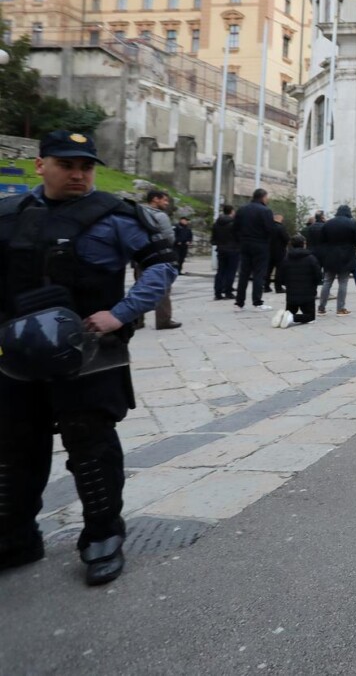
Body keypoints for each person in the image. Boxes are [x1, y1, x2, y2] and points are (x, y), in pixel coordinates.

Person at [0, 130, 177, 585]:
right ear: (41, 165)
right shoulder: (10, 214)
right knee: (14, 448)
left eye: (86, 166)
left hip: (90, 354)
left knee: (92, 448)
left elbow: (159, 266)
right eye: (67, 164)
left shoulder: (117, 216)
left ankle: (102, 537)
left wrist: (120, 314)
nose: (78, 174)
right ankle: (15, 537)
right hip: (16, 358)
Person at [142, 190, 182, 330]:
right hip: (159, 256)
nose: (166, 203)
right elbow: (169, 237)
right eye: (164, 200)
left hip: (140, 256)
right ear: (155, 199)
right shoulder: (161, 216)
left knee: (140, 288)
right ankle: (163, 320)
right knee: (163, 288)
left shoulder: (139, 212)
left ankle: (136, 321)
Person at [233, 188, 275, 311]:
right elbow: (270, 229)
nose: (268, 199)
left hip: (245, 244)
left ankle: (239, 302)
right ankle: (257, 301)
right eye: (267, 197)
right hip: (260, 245)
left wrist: (240, 241)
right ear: (262, 197)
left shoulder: (242, 210)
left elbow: (235, 228)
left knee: (244, 274)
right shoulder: (265, 211)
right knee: (259, 273)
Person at [317, 205, 356, 316]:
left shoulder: (328, 223)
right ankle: (340, 309)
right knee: (343, 282)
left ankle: (321, 308)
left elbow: (322, 239)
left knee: (327, 282)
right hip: (346, 256)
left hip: (330, 255)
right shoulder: (352, 223)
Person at [275, 234, 321, 326]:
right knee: (310, 317)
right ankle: (292, 318)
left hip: (291, 293)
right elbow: (318, 275)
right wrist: (315, 284)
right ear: (304, 244)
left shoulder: (286, 258)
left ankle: (285, 316)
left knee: (290, 311)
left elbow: (280, 275)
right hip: (308, 294)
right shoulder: (311, 258)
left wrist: (286, 284)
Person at [211, 203, 238, 300]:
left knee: (220, 271)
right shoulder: (234, 224)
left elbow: (213, 238)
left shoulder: (217, 223)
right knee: (231, 271)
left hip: (221, 249)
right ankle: (228, 291)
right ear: (232, 211)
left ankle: (217, 292)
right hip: (233, 249)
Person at [267, 213, 290, 295]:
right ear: (279, 218)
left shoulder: (268, 226)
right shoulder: (281, 227)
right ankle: (278, 287)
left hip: (268, 251)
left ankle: (266, 286)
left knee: (268, 269)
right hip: (279, 251)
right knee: (279, 270)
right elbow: (286, 238)